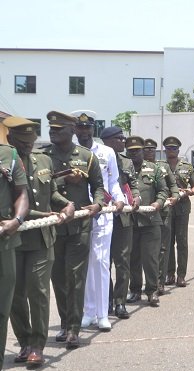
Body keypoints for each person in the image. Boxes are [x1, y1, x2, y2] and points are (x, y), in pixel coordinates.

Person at [5, 117, 73, 368]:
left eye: (31, 141)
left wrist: (65, 204)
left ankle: (37, 345)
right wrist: (45, 215)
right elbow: (11, 205)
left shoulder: (43, 160)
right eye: (22, 142)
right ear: (10, 140)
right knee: (15, 296)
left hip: (42, 240)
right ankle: (23, 341)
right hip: (14, 241)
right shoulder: (6, 163)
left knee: (39, 293)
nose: (27, 146)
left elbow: (50, 192)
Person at [44, 111, 105, 350]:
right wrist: (65, 181)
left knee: (75, 277)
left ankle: (73, 329)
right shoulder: (44, 157)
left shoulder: (87, 157)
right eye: (51, 129)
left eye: (58, 129)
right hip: (55, 226)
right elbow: (43, 186)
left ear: (72, 131)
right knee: (58, 277)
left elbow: (98, 187)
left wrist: (98, 204)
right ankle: (64, 322)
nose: (53, 133)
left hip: (80, 226)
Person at [71, 110, 125, 333]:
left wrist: (120, 198)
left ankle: (102, 314)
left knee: (101, 263)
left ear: (93, 129)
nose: (84, 131)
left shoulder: (107, 152)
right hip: (79, 213)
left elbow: (113, 182)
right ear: (75, 129)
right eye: (80, 127)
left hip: (102, 212)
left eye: (88, 127)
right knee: (84, 264)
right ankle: (88, 311)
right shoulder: (71, 152)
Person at [101, 127, 140, 318]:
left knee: (123, 262)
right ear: (107, 140)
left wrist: (137, 197)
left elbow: (133, 184)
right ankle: (106, 301)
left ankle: (120, 303)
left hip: (123, 218)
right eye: (119, 138)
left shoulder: (126, 162)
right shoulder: (97, 158)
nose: (123, 141)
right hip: (103, 217)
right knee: (103, 263)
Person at [0, 120, 29, 371]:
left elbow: (21, 192)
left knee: (1, 310)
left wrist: (17, 220)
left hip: (3, 241)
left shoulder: (8, 155)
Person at [126, 136, 168, 306]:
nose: (134, 154)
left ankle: (152, 290)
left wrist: (159, 202)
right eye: (131, 151)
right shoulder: (124, 170)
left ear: (143, 151)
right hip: (130, 222)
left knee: (150, 258)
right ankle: (135, 290)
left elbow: (163, 190)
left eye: (137, 151)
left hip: (151, 221)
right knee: (132, 258)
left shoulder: (153, 169)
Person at [143, 138, 180, 294]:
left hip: (163, 214)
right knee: (143, 252)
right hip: (142, 215)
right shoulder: (137, 166)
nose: (149, 151)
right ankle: (141, 285)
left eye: (152, 149)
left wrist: (176, 196)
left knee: (162, 249)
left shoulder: (163, 166)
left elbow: (173, 185)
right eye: (146, 149)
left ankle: (159, 282)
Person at [164, 136, 194, 287]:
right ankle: (169, 274)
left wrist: (191, 191)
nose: (171, 151)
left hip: (182, 208)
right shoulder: (159, 166)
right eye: (169, 148)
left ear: (178, 150)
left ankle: (181, 275)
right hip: (166, 207)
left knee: (182, 242)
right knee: (168, 242)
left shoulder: (187, 166)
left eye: (174, 148)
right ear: (165, 150)